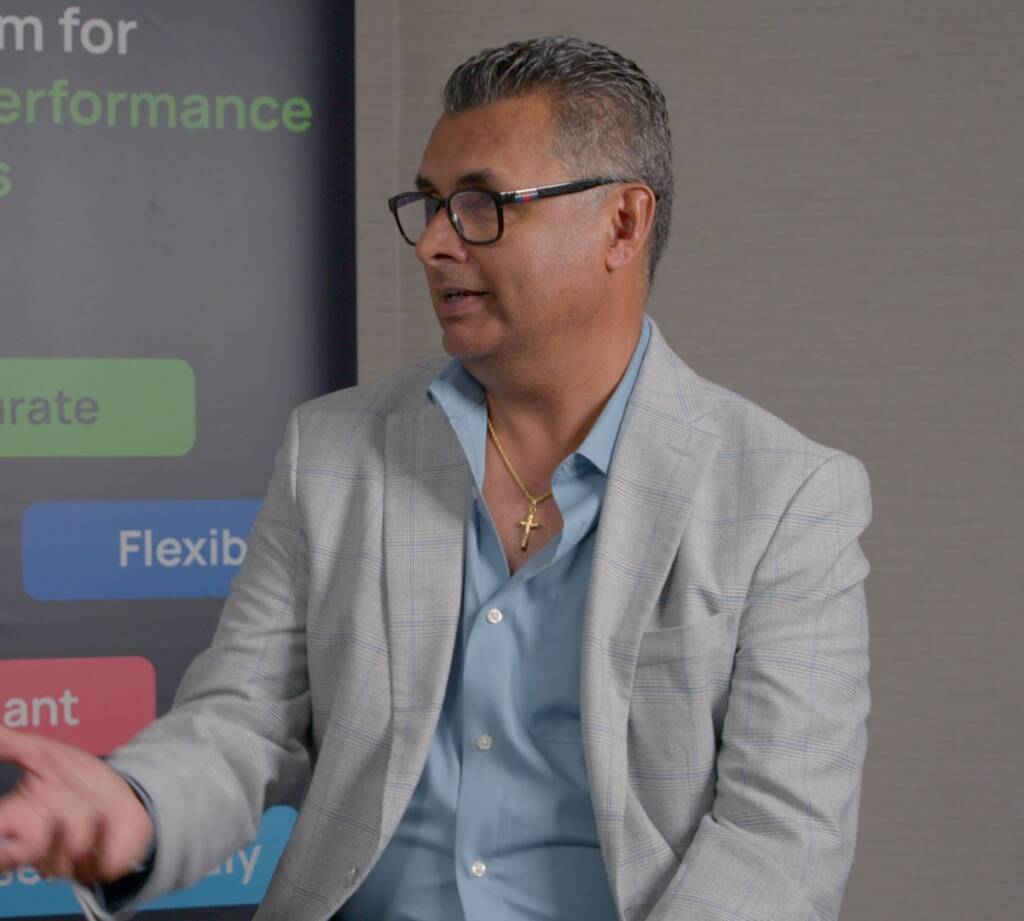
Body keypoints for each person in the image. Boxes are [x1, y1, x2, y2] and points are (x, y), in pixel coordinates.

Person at [0, 36, 873, 921]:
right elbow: (244, 720)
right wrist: (136, 805)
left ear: (622, 223)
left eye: (480, 205)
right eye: (427, 206)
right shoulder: (333, 450)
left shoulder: (786, 499)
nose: (433, 245)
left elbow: (779, 841)